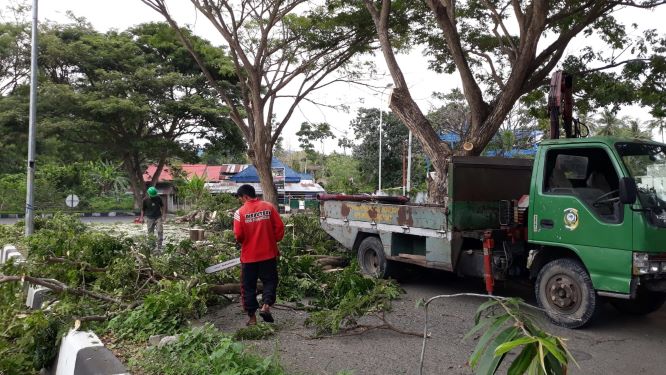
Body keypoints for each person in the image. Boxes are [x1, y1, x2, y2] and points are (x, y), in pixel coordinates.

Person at [233, 184, 285, 326]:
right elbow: (279, 228)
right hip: (268, 254)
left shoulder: (240, 212)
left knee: (248, 286)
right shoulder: (268, 207)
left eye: (241, 199)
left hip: (249, 257)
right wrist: (273, 240)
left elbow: (238, 235)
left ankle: (252, 318)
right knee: (270, 281)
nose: (241, 201)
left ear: (245, 196)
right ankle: (266, 305)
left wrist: (244, 242)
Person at [142, 186, 164, 251]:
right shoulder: (145, 200)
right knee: (150, 232)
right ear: (148, 194)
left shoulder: (158, 198)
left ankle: (159, 246)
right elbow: (143, 209)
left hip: (158, 217)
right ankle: (152, 246)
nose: (153, 196)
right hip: (149, 218)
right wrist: (142, 218)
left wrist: (163, 215)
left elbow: (162, 206)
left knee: (160, 231)